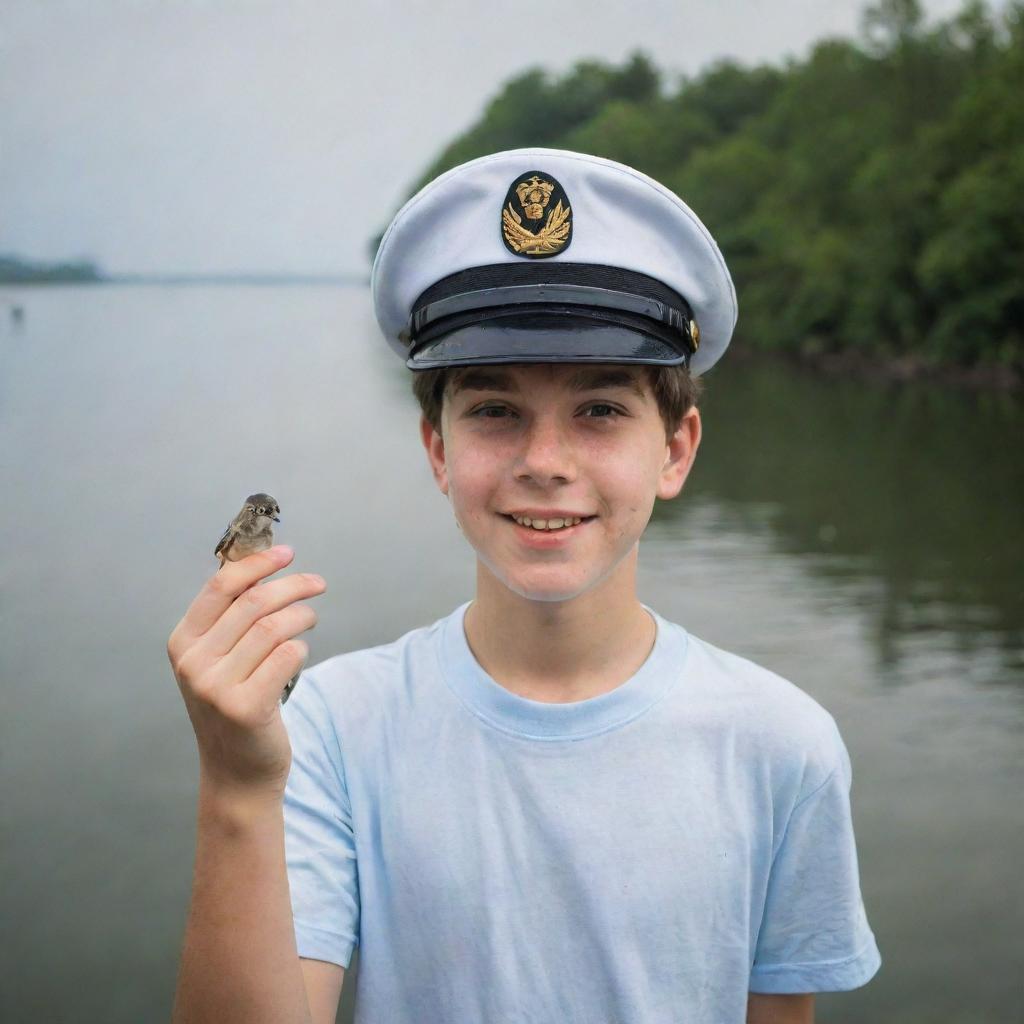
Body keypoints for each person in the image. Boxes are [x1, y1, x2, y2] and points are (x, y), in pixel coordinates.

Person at [168, 148, 882, 1024]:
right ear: (438, 448)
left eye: (602, 409)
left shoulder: (782, 746)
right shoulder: (323, 733)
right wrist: (236, 788)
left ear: (678, 448)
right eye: (495, 410)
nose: (545, 464)